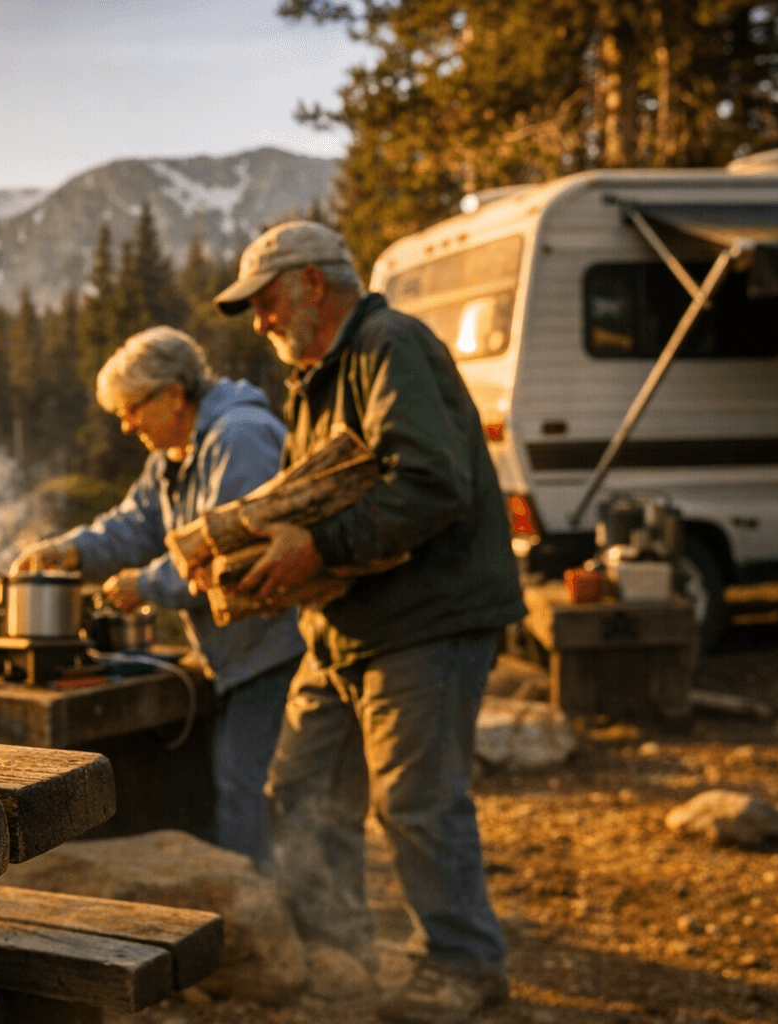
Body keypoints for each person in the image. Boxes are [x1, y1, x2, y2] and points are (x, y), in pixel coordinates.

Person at [213, 221, 525, 1024]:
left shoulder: (388, 346)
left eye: (268, 300)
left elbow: (429, 485)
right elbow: (321, 497)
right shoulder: (319, 376)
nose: (261, 321)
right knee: (303, 787)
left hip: (425, 621)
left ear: (313, 284)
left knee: (417, 802)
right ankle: (342, 949)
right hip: (348, 627)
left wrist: (314, 544)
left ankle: (463, 965)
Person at [12, 326, 304, 863]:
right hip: (237, 657)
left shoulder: (240, 437)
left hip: (277, 651)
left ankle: (266, 925)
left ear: (174, 393)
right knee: (238, 790)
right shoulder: (173, 456)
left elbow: (228, 554)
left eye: (131, 409)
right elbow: (134, 524)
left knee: (252, 796)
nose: (126, 425)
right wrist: (69, 551)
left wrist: (144, 584)